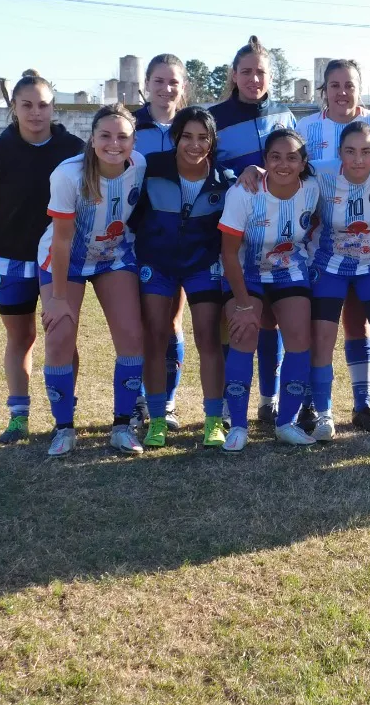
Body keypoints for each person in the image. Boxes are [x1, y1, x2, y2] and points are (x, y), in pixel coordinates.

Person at [0, 72, 85, 443]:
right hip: (10, 260)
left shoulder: (75, 150)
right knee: (21, 338)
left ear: (53, 107)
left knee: (62, 335)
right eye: (27, 105)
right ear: (14, 108)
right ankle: (18, 414)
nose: (35, 113)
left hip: (59, 260)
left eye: (43, 105)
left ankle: (65, 413)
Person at [296, 59, 370, 431]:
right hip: (323, 254)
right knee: (320, 333)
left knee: (365, 327)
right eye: (335, 85)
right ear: (324, 90)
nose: (342, 92)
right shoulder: (306, 126)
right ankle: (317, 408)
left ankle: (368, 407)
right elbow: (282, 170)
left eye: (349, 85)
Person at [37, 104, 148, 458]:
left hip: (114, 256)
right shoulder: (68, 175)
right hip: (64, 259)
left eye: (123, 136)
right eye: (105, 135)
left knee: (132, 336)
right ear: (93, 138)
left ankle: (122, 426)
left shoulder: (139, 165)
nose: (114, 143)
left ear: (133, 140)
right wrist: (56, 299)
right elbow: (62, 240)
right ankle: (63, 427)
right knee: (60, 337)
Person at [130, 104, 235, 450]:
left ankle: (213, 421)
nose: (194, 144)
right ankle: (157, 419)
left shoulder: (225, 180)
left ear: (212, 141)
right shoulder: (151, 169)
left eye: (202, 137)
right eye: (187, 136)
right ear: (175, 138)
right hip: (157, 263)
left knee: (208, 337)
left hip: (202, 265)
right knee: (155, 336)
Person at [209, 37, 298, 429]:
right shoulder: (215, 117)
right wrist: (235, 175)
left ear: (270, 76)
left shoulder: (285, 115)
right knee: (237, 316)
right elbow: (204, 167)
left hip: (279, 234)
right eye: (246, 71)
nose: (253, 78)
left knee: (272, 319)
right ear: (233, 75)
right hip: (233, 229)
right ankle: (233, 404)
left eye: (260, 72)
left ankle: (269, 398)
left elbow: (299, 163)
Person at [218, 128, 320, 451]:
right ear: (264, 161)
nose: (283, 164)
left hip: (289, 271)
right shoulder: (245, 192)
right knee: (243, 332)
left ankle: (286, 422)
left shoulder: (313, 188)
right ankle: (237, 425)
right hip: (245, 272)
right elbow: (229, 253)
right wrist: (245, 305)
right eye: (275, 157)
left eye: (292, 158)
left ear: (303, 163)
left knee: (300, 338)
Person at [131, 53, 193, 432]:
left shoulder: (193, 125)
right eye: (159, 80)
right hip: (137, 236)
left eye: (173, 81)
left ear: (183, 86)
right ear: (147, 84)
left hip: (184, 237)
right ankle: (139, 400)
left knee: (172, 320)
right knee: (141, 323)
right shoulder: (130, 126)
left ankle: (167, 403)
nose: (166, 88)